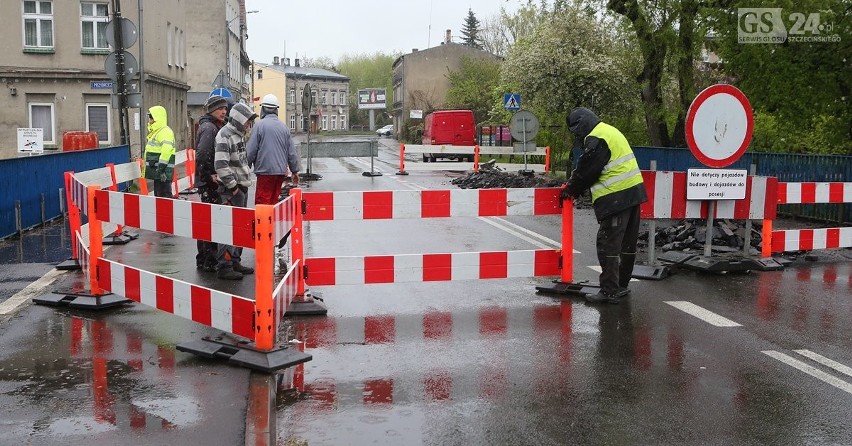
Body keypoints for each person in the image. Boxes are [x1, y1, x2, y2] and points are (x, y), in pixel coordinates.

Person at [561, 107, 647, 304]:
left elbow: (588, 169)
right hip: (633, 193)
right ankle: (621, 286)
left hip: (616, 197)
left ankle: (609, 290)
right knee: (627, 244)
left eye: (576, 131)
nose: (577, 135)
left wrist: (570, 189)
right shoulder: (609, 131)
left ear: (582, 124)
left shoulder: (597, 137)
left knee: (608, 244)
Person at [246, 94, 301, 271]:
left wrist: (244, 167)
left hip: (265, 172)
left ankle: (264, 239)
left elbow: (251, 149)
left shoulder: (260, 126)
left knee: (262, 205)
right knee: (273, 204)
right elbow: (291, 152)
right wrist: (295, 171)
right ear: (276, 110)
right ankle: (273, 235)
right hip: (279, 172)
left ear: (263, 109)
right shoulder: (284, 128)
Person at [214, 102, 258, 280]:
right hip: (232, 189)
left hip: (241, 187)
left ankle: (235, 261)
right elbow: (221, 165)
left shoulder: (238, 135)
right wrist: (233, 188)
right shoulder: (225, 135)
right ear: (240, 120)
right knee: (227, 229)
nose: (249, 125)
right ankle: (224, 266)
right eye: (248, 121)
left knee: (239, 229)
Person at [193, 95, 229, 272]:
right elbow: (202, 155)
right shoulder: (209, 128)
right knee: (210, 221)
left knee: (207, 219)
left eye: (225, 108)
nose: (224, 111)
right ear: (211, 110)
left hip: (205, 180)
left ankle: (205, 258)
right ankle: (208, 259)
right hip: (208, 182)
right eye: (220, 108)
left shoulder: (211, 126)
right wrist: (209, 176)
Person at [143, 106, 176, 198]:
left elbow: (166, 150)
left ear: (157, 118)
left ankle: (167, 212)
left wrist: (161, 168)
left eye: (151, 117)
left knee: (164, 196)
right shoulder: (157, 131)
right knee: (159, 196)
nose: (149, 120)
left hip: (162, 171)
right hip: (158, 170)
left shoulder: (164, 131)